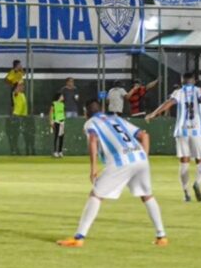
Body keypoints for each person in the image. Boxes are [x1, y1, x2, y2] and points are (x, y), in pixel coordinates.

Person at [57, 99, 168, 248]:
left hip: (121, 161)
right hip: (140, 157)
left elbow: (93, 139)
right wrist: (142, 158)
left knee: (96, 195)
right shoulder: (116, 118)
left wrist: (93, 168)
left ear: (86, 113)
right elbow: (144, 136)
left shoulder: (90, 123)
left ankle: (79, 238)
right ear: (101, 109)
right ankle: (161, 237)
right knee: (147, 195)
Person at [145, 72, 201, 202]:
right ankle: (197, 183)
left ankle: (186, 193)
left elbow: (168, 103)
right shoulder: (199, 91)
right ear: (194, 81)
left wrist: (154, 113)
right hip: (197, 130)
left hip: (182, 131)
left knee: (184, 162)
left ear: (182, 81)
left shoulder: (177, 92)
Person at [50, 93, 66, 158]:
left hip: (62, 121)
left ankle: (60, 151)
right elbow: (51, 112)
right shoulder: (54, 103)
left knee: (61, 137)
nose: (63, 97)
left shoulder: (62, 104)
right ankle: (55, 151)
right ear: (59, 97)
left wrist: (64, 120)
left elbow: (63, 112)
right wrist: (51, 121)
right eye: (62, 96)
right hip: (56, 121)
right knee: (56, 137)